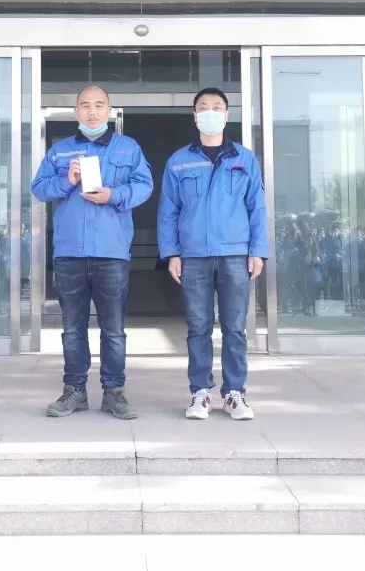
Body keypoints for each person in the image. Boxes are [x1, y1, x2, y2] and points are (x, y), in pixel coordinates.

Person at [30, 84, 153, 419]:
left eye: (99, 105)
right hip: (70, 253)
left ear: (109, 111)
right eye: (85, 105)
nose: (92, 111)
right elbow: (39, 188)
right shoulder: (60, 152)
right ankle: (75, 391)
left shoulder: (128, 148)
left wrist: (113, 195)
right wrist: (66, 181)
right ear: (76, 112)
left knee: (113, 329)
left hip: (112, 252)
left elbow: (144, 185)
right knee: (72, 328)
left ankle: (114, 392)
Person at [157, 87, 268, 421]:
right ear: (194, 116)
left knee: (235, 328)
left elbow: (257, 208)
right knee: (198, 327)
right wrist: (172, 253)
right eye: (203, 107)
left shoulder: (244, 159)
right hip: (194, 257)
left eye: (217, 107)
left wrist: (257, 251)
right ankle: (200, 392)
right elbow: (168, 211)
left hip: (235, 254)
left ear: (227, 114)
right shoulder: (179, 161)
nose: (210, 112)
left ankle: (235, 394)